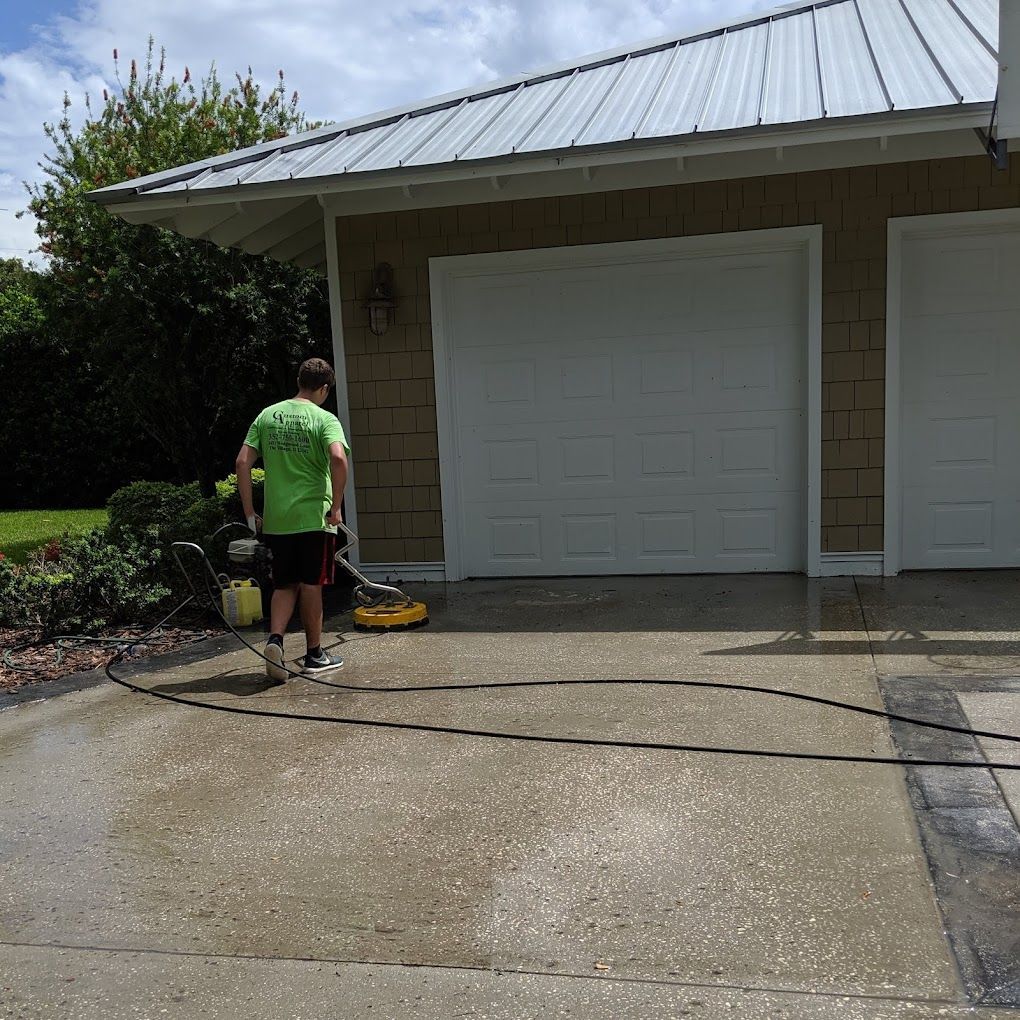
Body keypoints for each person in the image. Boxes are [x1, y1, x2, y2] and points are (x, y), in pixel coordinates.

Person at [235, 357, 350, 680]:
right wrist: (336, 506)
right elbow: (338, 458)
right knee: (312, 585)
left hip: (278, 520)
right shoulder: (324, 418)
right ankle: (314, 654)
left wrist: (249, 512)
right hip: (314, 518)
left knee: (285, 584)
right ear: (324, 388)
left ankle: (275, 641)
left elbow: (242, 462)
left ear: (300, 381)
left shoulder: (267, 416)